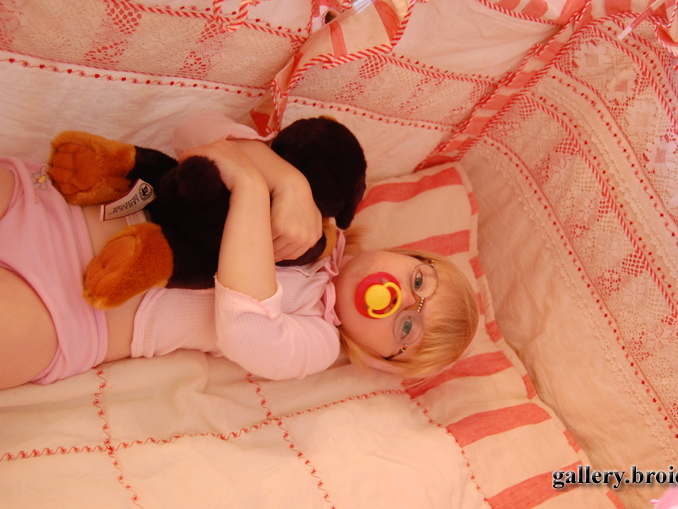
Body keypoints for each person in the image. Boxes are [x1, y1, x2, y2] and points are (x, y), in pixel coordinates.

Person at [0, 113, 479, 390]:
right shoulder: (318, 210)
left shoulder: (315, 340)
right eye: (418, 281)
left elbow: (247, 331)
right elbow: (193, 129)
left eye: (406, 326)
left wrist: (250, 185)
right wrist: (288, 181)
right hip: (54, 202)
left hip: (71, 316)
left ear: (379, 360)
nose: (394, 297)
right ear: (407, 255)